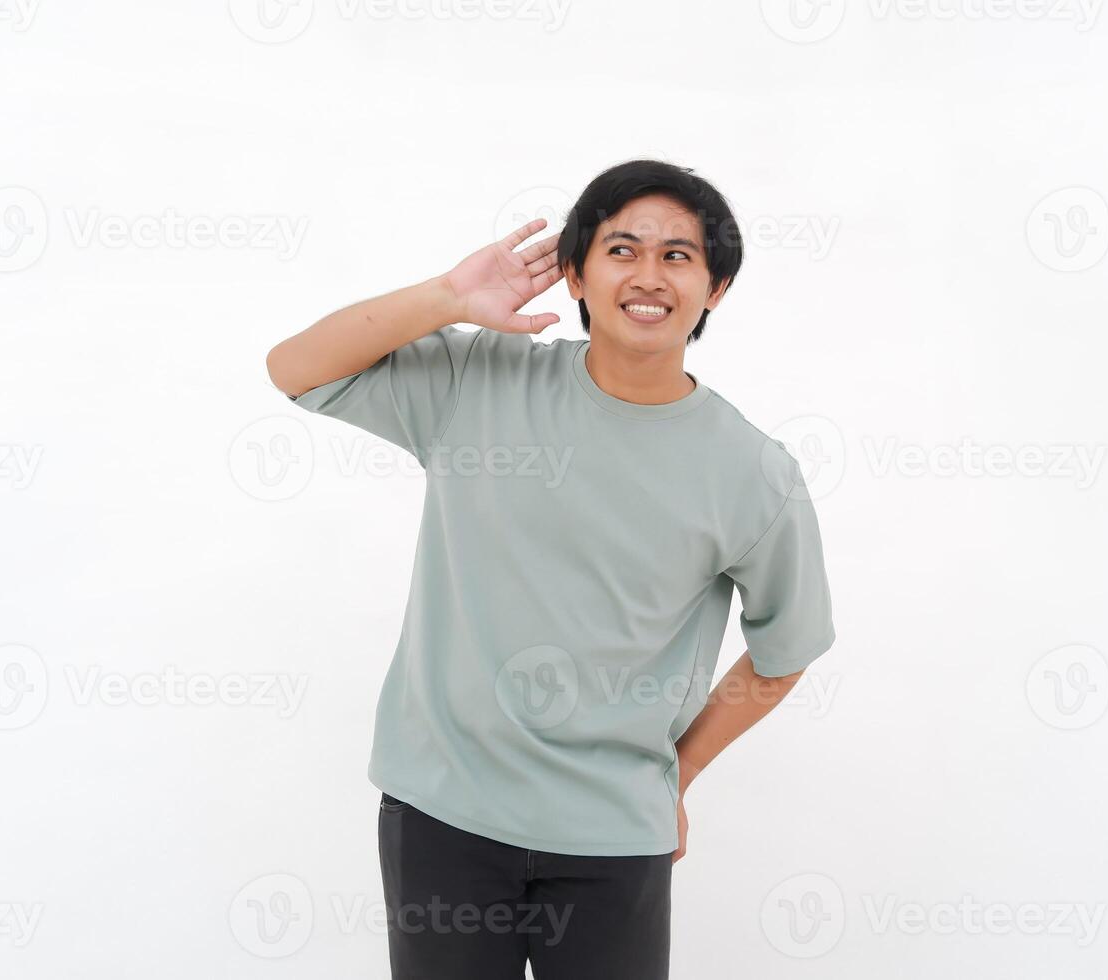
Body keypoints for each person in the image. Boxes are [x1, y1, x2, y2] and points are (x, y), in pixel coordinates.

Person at [265, 159, 836, 980]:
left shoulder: (754, 474)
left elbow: (786, 652)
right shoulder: (479, 381)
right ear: (574, 271)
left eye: (678, 256)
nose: (648, 275)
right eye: (621, 249)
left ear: (717, 288)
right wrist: (446, 300)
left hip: (614, 836)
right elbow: (296, 370)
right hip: (442, 814)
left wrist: (681, 773)